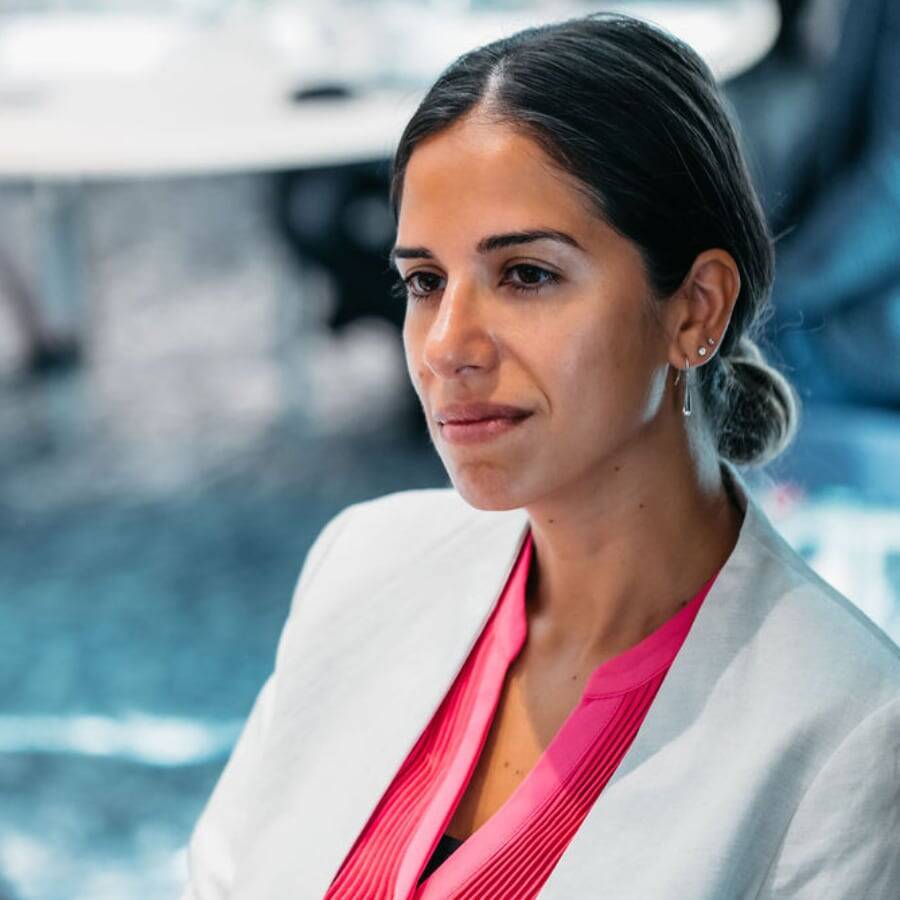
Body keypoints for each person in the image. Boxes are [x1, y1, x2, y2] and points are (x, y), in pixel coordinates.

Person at [180, 13, 899, 899]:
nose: (447, 346)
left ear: (697, 309)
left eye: (526, 275)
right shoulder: (359, 564)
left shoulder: (849, 735)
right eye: (423, 282)